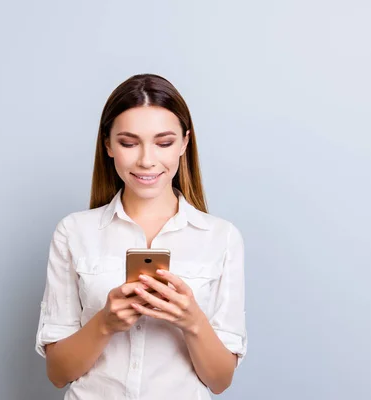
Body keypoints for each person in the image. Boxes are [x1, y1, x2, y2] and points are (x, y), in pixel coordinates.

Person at [35, 73, 247, 399]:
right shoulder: (74, 232)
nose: (147, 160)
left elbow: (220, 381)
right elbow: (58, 373)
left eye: (163, 143)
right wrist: (105, 322)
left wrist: (192, 321)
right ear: (107, 144)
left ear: (184, 143)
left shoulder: (220, 237)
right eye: (128, 143)